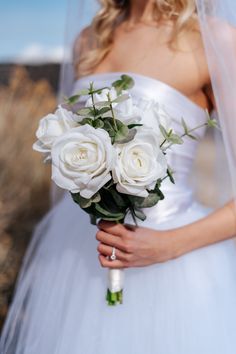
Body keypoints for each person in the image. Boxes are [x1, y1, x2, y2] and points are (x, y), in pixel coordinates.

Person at [1, 0, 236, 353]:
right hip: (75, 256)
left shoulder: (213, 39)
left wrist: (168, 245)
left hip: (171, 262)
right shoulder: (89, 39)